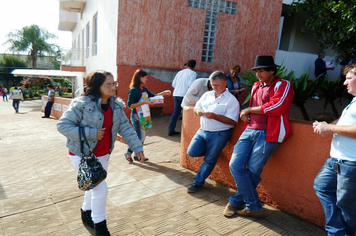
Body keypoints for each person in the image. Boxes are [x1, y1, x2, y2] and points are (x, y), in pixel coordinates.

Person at [57, 70, 148, 236]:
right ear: (96, 86)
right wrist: (91, 133)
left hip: (104, 154)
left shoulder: (116, 106)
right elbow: (63, 125)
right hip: (83, 155)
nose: (113, 87)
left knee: (93, 185)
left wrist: (138, 147)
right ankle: (100, 225)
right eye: (109, 84)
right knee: (101, 189)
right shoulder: (81, 104)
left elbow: (126, 128)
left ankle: (86, 212)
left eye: (114, 83)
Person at [224, 55, 294, 217]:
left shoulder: (283, 85)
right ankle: (253, 204)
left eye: (262, 71)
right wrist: (245, 113)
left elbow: (277, 107)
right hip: (249, 130)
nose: (258, 74)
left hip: (269, 133)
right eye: (256, 71)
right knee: (235, 165)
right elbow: (253, 105)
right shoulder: (256, 85)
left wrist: (248, 110)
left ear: (272, 71)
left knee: (253, 170)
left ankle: (237, 202)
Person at [312, 63, 356, 236]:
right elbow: (344, 122)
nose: (345, 83)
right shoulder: (353, 101)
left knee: (346, 205)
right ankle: (337, 230)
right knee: (321, 186)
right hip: (336, 160)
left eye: (349, 79)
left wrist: (329, 129)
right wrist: (327, 125)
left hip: (350, 162)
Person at [186, 71, 239, 193]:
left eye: (217, 85)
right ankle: (213, 152)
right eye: (212, 85)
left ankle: (197, 182)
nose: (214, 88)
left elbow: (233, 121)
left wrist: (214, 116)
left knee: (209, 160)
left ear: (225, 83)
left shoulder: (231, 100)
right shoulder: (207, 95)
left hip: (219, 133)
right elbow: (197, 107)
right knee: (191, 151)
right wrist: (197, 111)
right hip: (203, 131)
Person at [124, 69, 171, 163]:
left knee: (143, 137)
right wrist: (144, 102)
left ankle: (138, 156)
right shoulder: (133, 90)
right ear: (140, 78)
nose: (146, 80)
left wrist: (164, 93)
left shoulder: (143, 88)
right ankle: (129, 153)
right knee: (140, 138)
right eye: (145, 78)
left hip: (145, 116)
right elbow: (130, 106)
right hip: (136, 116)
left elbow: (153, 96)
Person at [168, 59, 197, 136]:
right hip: (185, 95)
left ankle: (171, 129)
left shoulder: (180, 72)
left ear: (187, 65)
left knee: (175, 113)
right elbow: (190, 85)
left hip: (176, 94)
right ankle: (186, 133)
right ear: (194, 66)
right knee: (186, 113)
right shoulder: (193, 73)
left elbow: (173, 84)